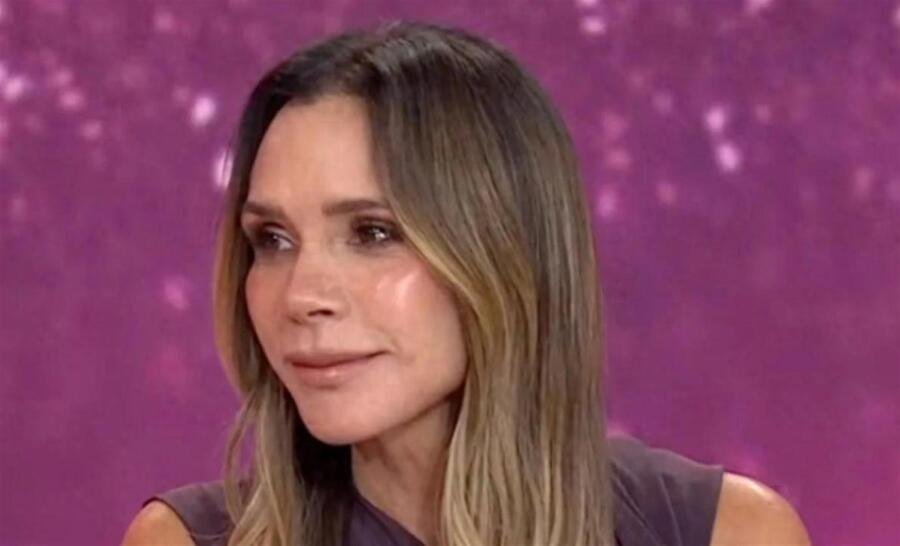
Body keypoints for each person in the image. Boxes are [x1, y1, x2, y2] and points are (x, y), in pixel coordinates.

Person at [122, 21, 811, 546]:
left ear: (505, 251)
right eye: (272, 240)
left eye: (373, 233)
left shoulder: (730, 534)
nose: (301, 296)